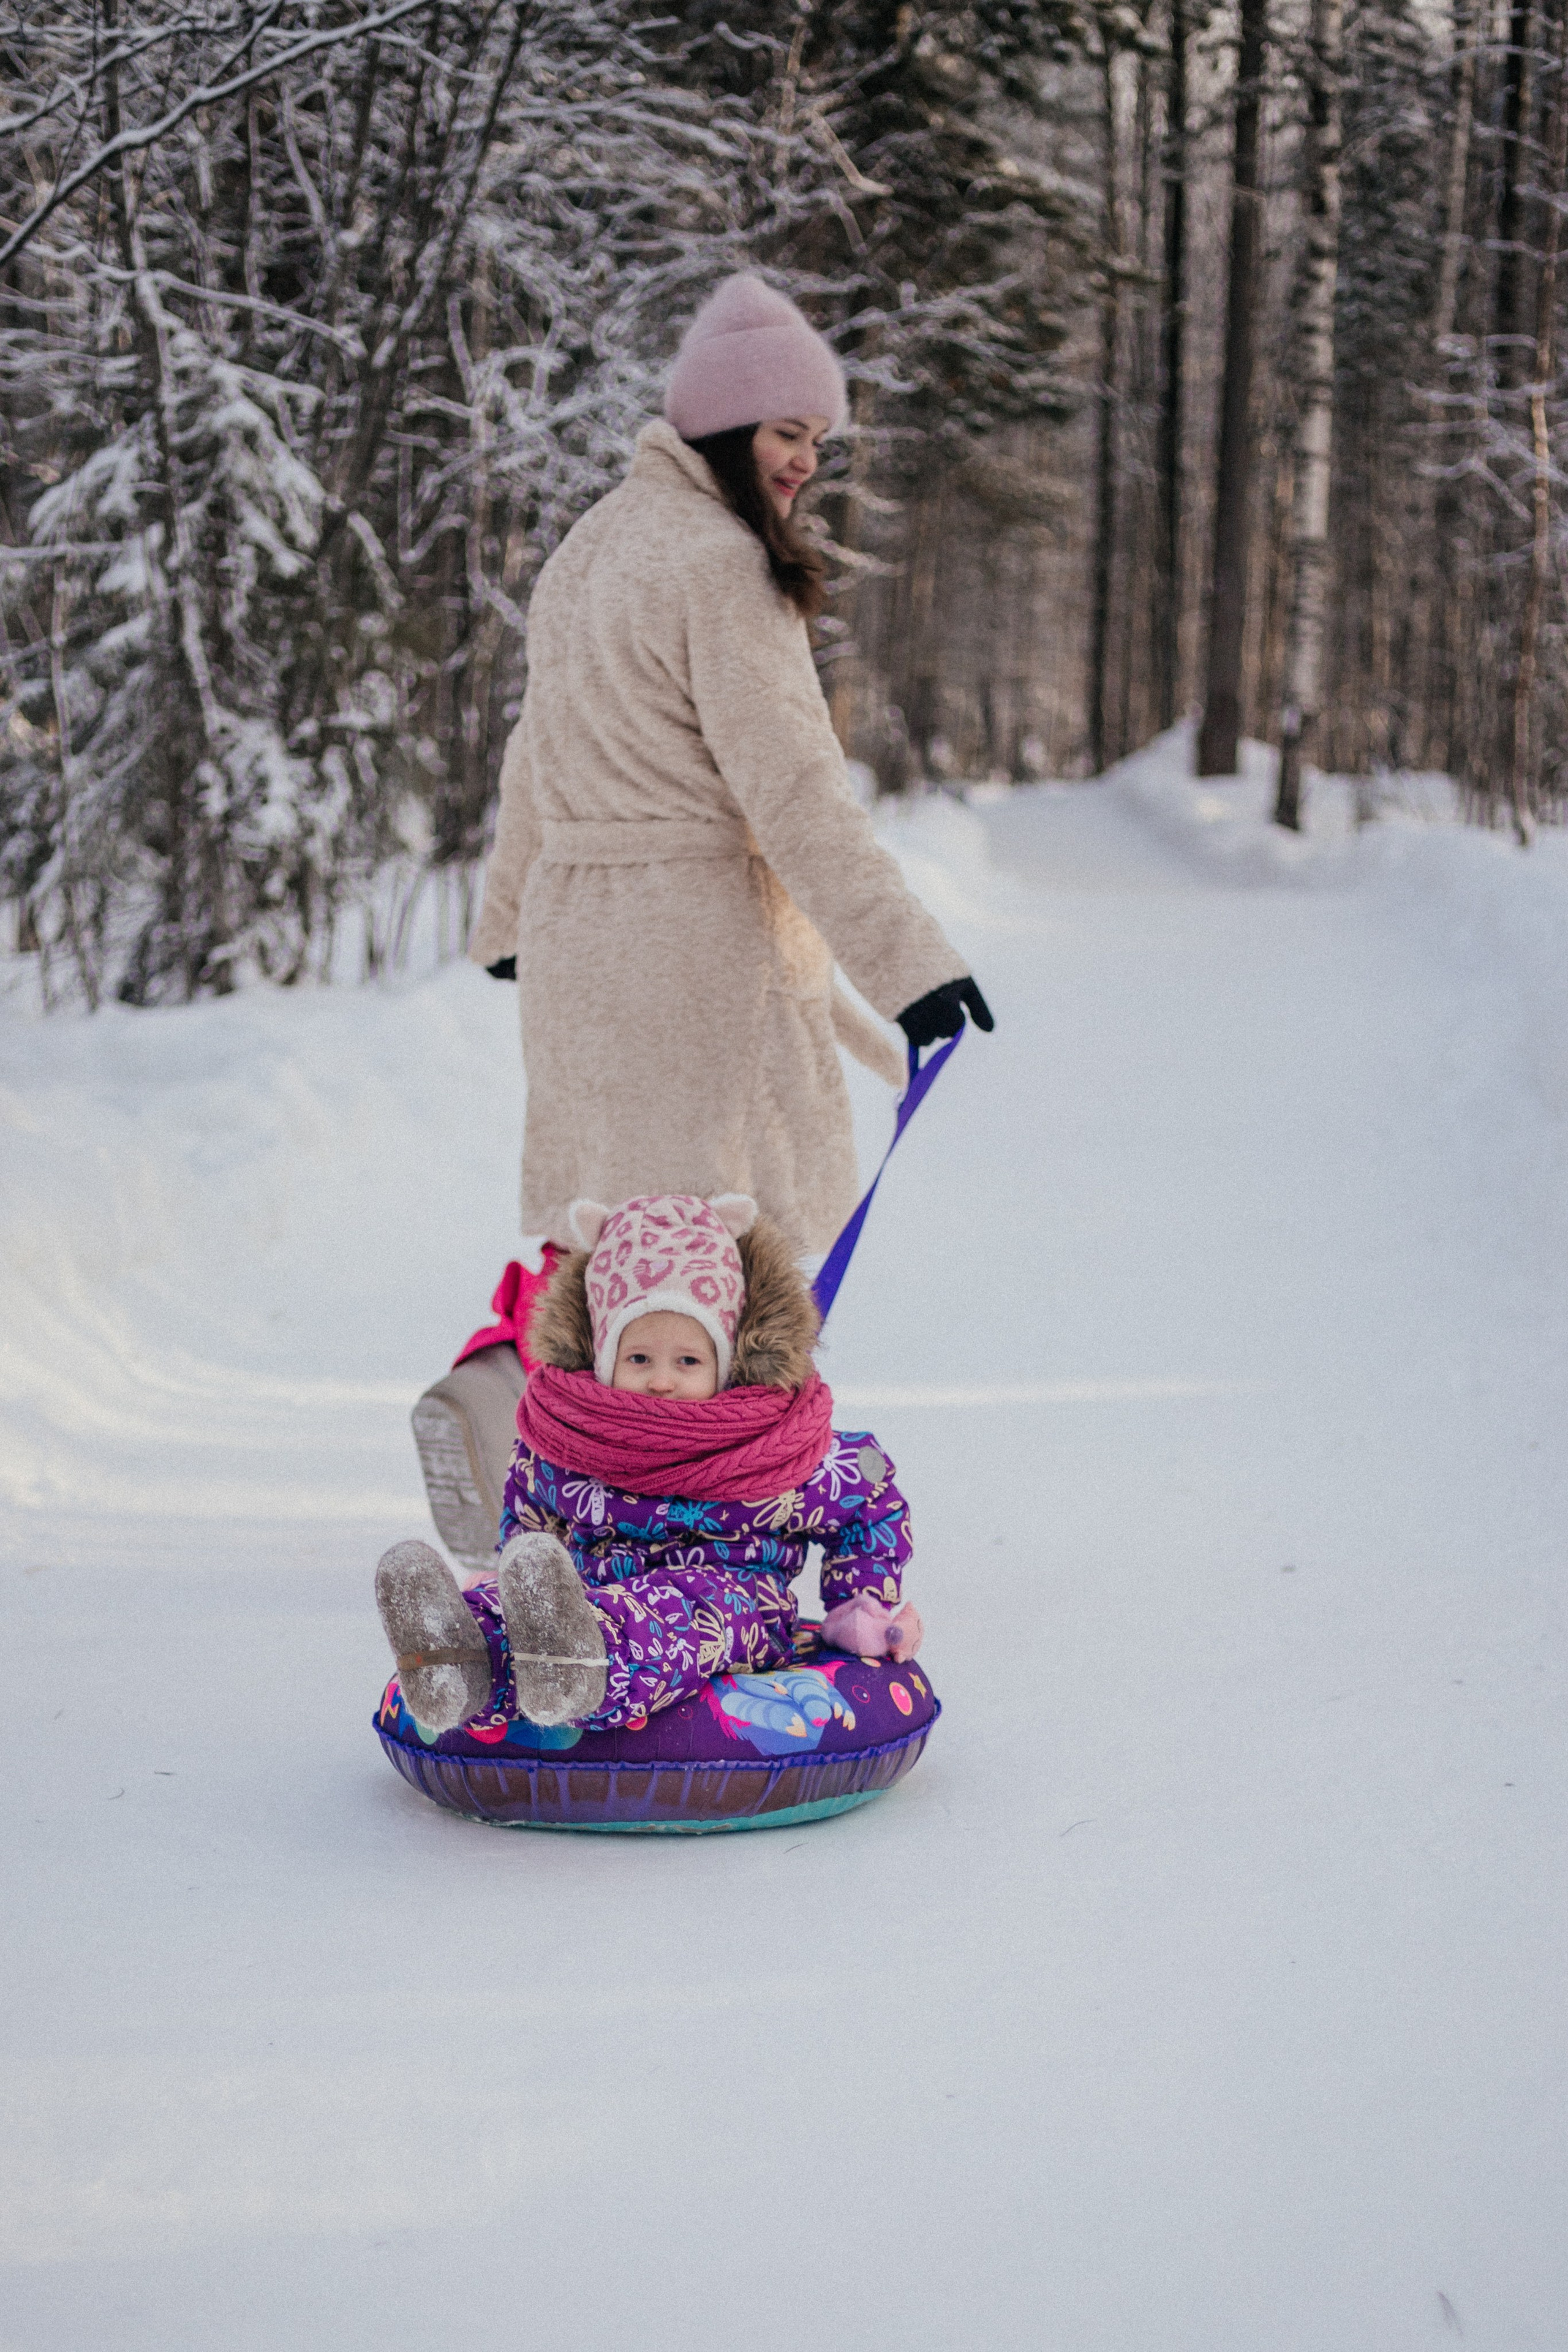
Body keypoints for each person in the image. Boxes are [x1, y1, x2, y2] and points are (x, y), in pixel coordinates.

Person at [467, 270, 993, 1259]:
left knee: (609, 1253)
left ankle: (566, 1411)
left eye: (817, 441)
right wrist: (908, 966)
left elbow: (530, 756)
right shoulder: (721, 563)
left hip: (579, 947)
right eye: (785, 432)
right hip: (699, 958)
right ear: (724, 425)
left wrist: (506, 921)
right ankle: (721, 1424)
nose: (803, 462)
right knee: (732, 1256)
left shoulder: (588, 549)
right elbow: (796, 790)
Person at [377, 1195, 922, 1736]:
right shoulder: (575, 1437)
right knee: (518, 1612)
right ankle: (456, 1660)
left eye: (688, 1360)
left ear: (729, 1362)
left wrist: (861, 1604)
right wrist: (515, 1575)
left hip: (733, 1600)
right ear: (603, 1357)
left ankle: (579, 1673)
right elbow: (530, 1517)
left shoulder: (773, 1442)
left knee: (679, 1613)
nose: (662, 1380)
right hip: (581, 1597)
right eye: (639, 1359)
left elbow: (869, 1499)